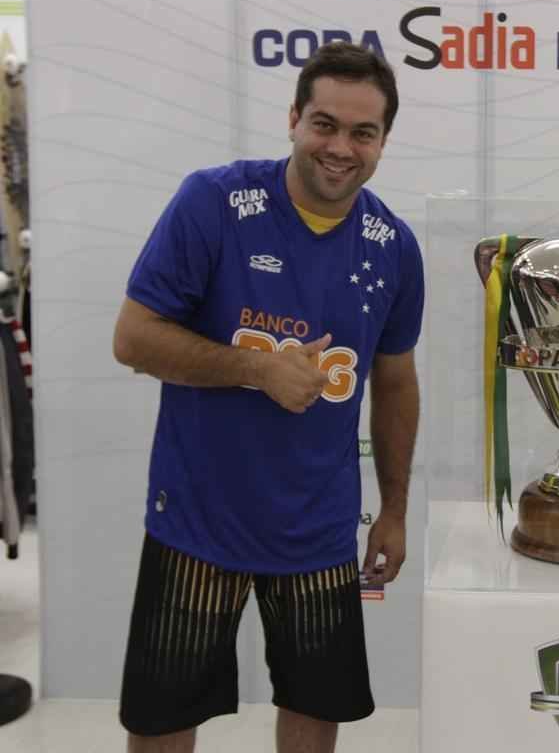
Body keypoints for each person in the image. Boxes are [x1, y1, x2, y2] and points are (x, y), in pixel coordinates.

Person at [112, 42, 424, 753]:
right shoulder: (214, 201)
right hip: (197, 520)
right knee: (162, 718)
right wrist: (256, 370)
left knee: (317, 710)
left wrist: (395, 511)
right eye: (324, 124)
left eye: (362, 132)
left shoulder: (394, 246)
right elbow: (133, 339)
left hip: (318, 532)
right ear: (292, 119)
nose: (340, 148)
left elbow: (397, 380)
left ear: (382, 142)